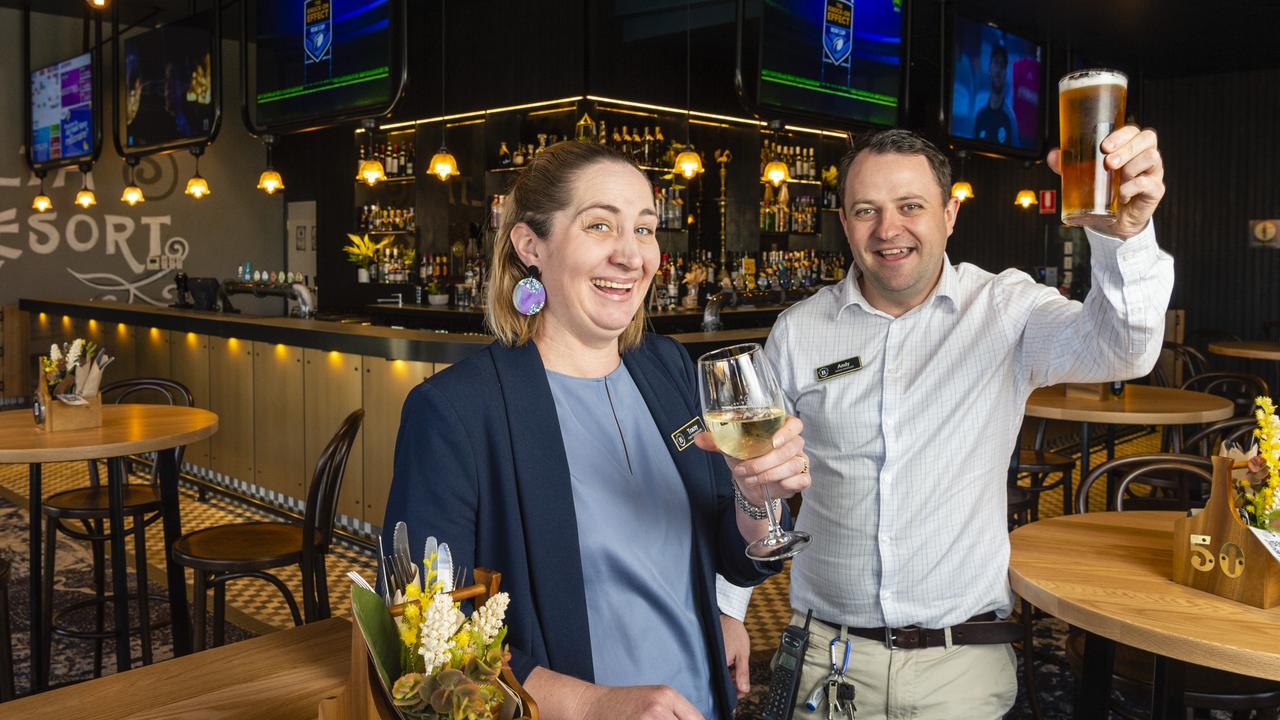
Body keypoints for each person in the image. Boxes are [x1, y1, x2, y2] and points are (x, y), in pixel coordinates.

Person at [750, 126, 1172, 718]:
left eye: (911, 207)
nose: (888, 229)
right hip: (827, 659)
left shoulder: (1005, 307)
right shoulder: (798, 331)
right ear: (844, 223)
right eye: (866, 210)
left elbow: (1122, 349)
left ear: (950, 214)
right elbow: (752, 483)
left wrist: (1122, 238)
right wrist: (727, 601)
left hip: (961, 667)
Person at [383, 140, 812, 719]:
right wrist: (590, 705)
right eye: (600, 226)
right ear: (531, 245)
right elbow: (421, 642)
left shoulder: (668, 370)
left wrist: (755, 499)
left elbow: (733, 556)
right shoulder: (456, 411)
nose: (631, 256)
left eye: (643, 229)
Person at [973, 43, 1018, 147]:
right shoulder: (980, 116)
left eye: (1003, 65)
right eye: (996, 62)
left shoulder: (1010, 119)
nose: (999, 68)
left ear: (1005, 73)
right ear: (989, 68)